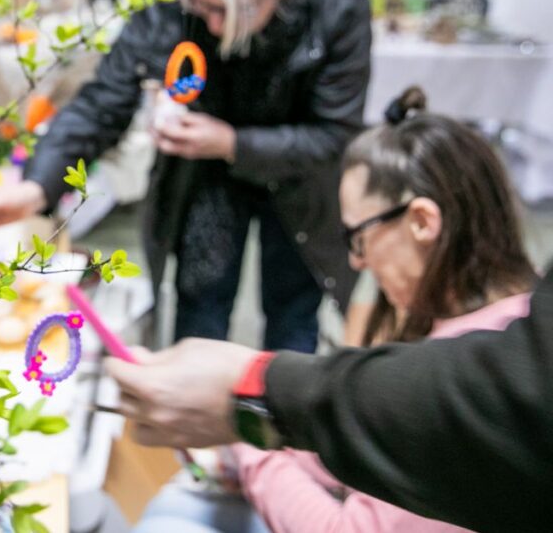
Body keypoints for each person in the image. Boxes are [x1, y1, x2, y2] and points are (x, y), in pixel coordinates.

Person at [0, 0, 371, 352]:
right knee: (202, 304)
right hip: (207, 175)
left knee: (292, 314)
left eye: (231, 10)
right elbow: (106, 97)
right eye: (204, 7)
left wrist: (231, 142)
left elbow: (333, 135)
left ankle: (280, 419)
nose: (215, 26)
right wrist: (39, 186)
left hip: (300, 180)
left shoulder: (339, 3)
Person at [132, 88, 537, 532]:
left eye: (358, 238)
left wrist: (244, 433)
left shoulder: (475, 382)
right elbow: (357, 426)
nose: (357, 262)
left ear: (422, 222)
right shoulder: (498, 333)